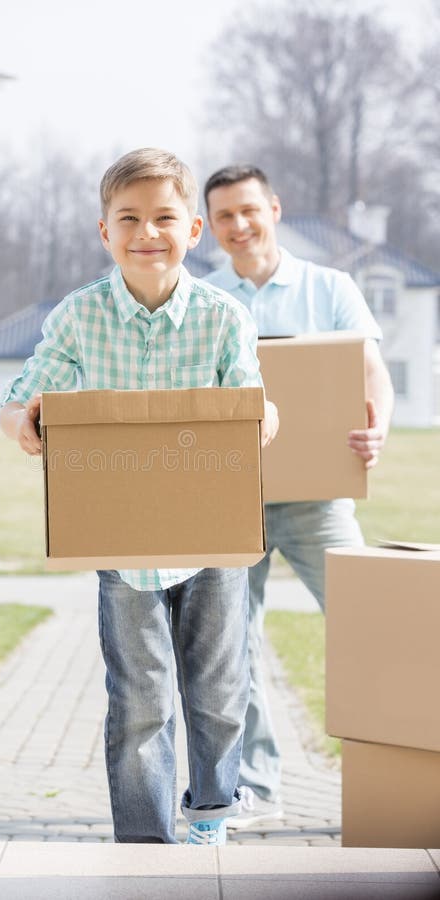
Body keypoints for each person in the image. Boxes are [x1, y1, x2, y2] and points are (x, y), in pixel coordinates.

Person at [0, 148, 279, 846]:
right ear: (104, 232)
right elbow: (21, 396)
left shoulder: (222, 317)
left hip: (214, 536)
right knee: (141, 699)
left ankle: (211, 814)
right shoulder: (79, 317)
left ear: (193, 231)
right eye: (129, 218)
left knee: (218, 690)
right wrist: (25, 422)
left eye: (164, 218)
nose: (146, 232)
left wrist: (264, 419)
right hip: (124, 541)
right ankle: (145, 842)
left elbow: (255, 403)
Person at [202, 164, 395, 828]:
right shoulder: (200, 299)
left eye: (248, 210)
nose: (239, 225)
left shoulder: (329, 287)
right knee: (232, 645)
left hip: (320, 497)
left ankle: (396, 773)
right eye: (224, 216)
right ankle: (256, 787)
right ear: (210, 227)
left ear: (274, 209)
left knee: (374, 624)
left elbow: (372, 377)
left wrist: (379, 430)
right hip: (230, 499)